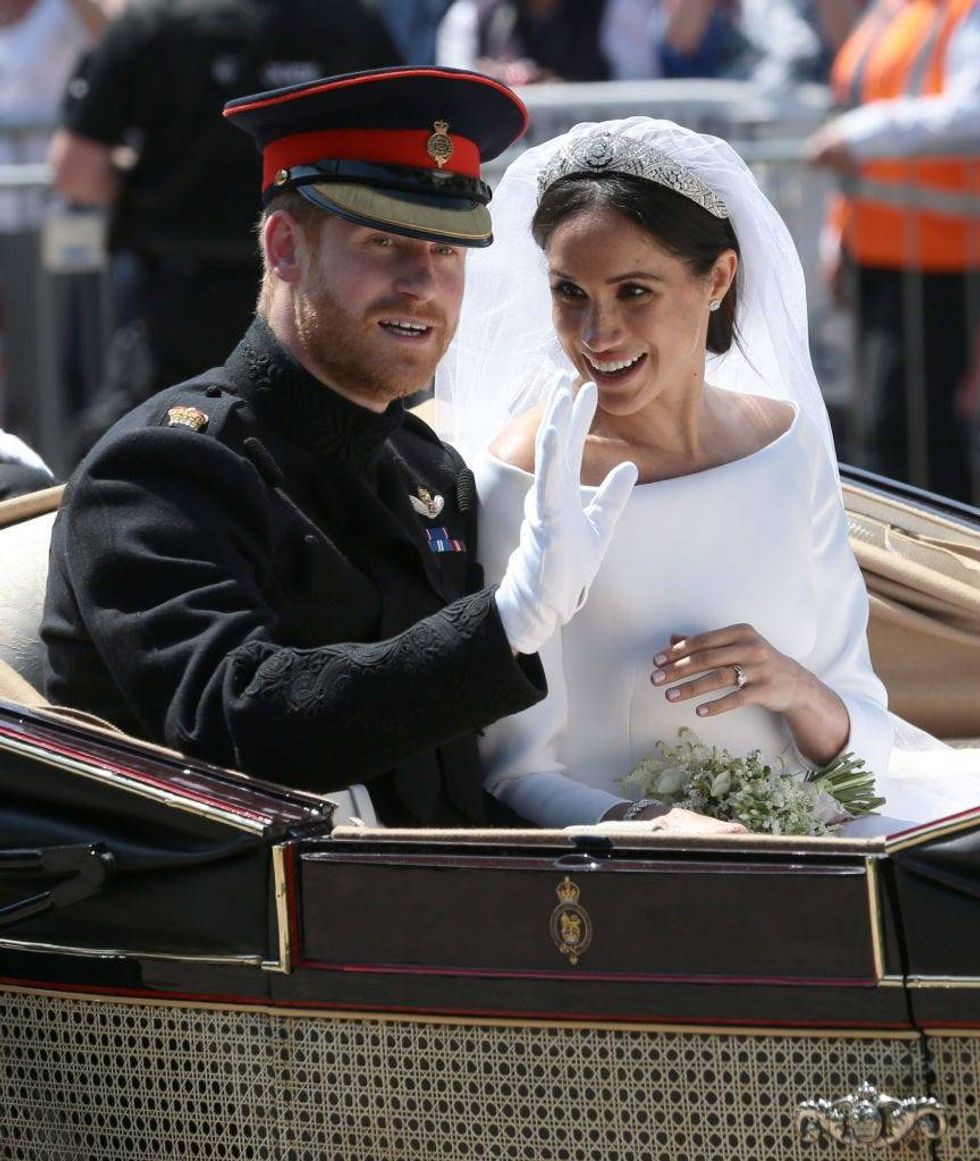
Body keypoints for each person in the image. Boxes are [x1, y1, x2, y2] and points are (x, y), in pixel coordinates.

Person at [40, 66, 643, 830]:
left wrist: (621, 820)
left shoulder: (428, 471)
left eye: (449, 251)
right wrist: (507, 624)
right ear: (286, 247)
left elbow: (455, 781)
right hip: (245, 928)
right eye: (384, 240)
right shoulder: (165, 471)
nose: (423, 282)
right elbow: (237, 723)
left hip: (425, 909)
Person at [436, 116, 980, 834]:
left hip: (820, 847)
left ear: (717, 278)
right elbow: (513, 770)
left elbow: (859, 783)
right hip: (619, 884)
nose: (598, 335)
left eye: (634, 292)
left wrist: (796, 689)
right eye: (571, 293)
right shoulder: (528, 472)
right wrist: (656, 826)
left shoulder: (788, 447)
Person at [48, 0, 401, 464]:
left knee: (147, 460)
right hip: (312, 290)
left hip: (177, 302)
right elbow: (395, 155)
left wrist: (152, 188)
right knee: (319, 460)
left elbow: (76, 170)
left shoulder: (155, 24)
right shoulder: (349, 22)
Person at [805, 0, 980, 503]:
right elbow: (853, 111)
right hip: (880, 259)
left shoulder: (963, 13)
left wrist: (862, 136)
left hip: (944, 266)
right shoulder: (897, 11)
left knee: (917, 439)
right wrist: (838, 235)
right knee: (887, 433)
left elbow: (970, 112)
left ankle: (940, 571)